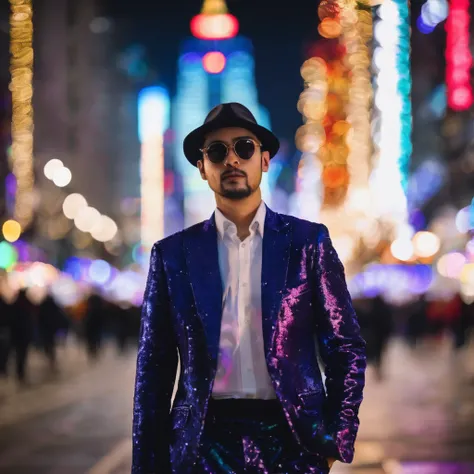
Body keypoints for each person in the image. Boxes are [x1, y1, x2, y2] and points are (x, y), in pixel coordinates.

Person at [132, 103, 366, 474]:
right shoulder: (173, 255)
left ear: (265, 159)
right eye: (217, 151)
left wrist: (336, 438)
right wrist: (147, 465)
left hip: (292, 441)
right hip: (201, 446)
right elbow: (153, 370)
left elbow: (345, 347)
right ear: (202, 167)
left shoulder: (307, 243)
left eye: (244, 148)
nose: (232, 160)